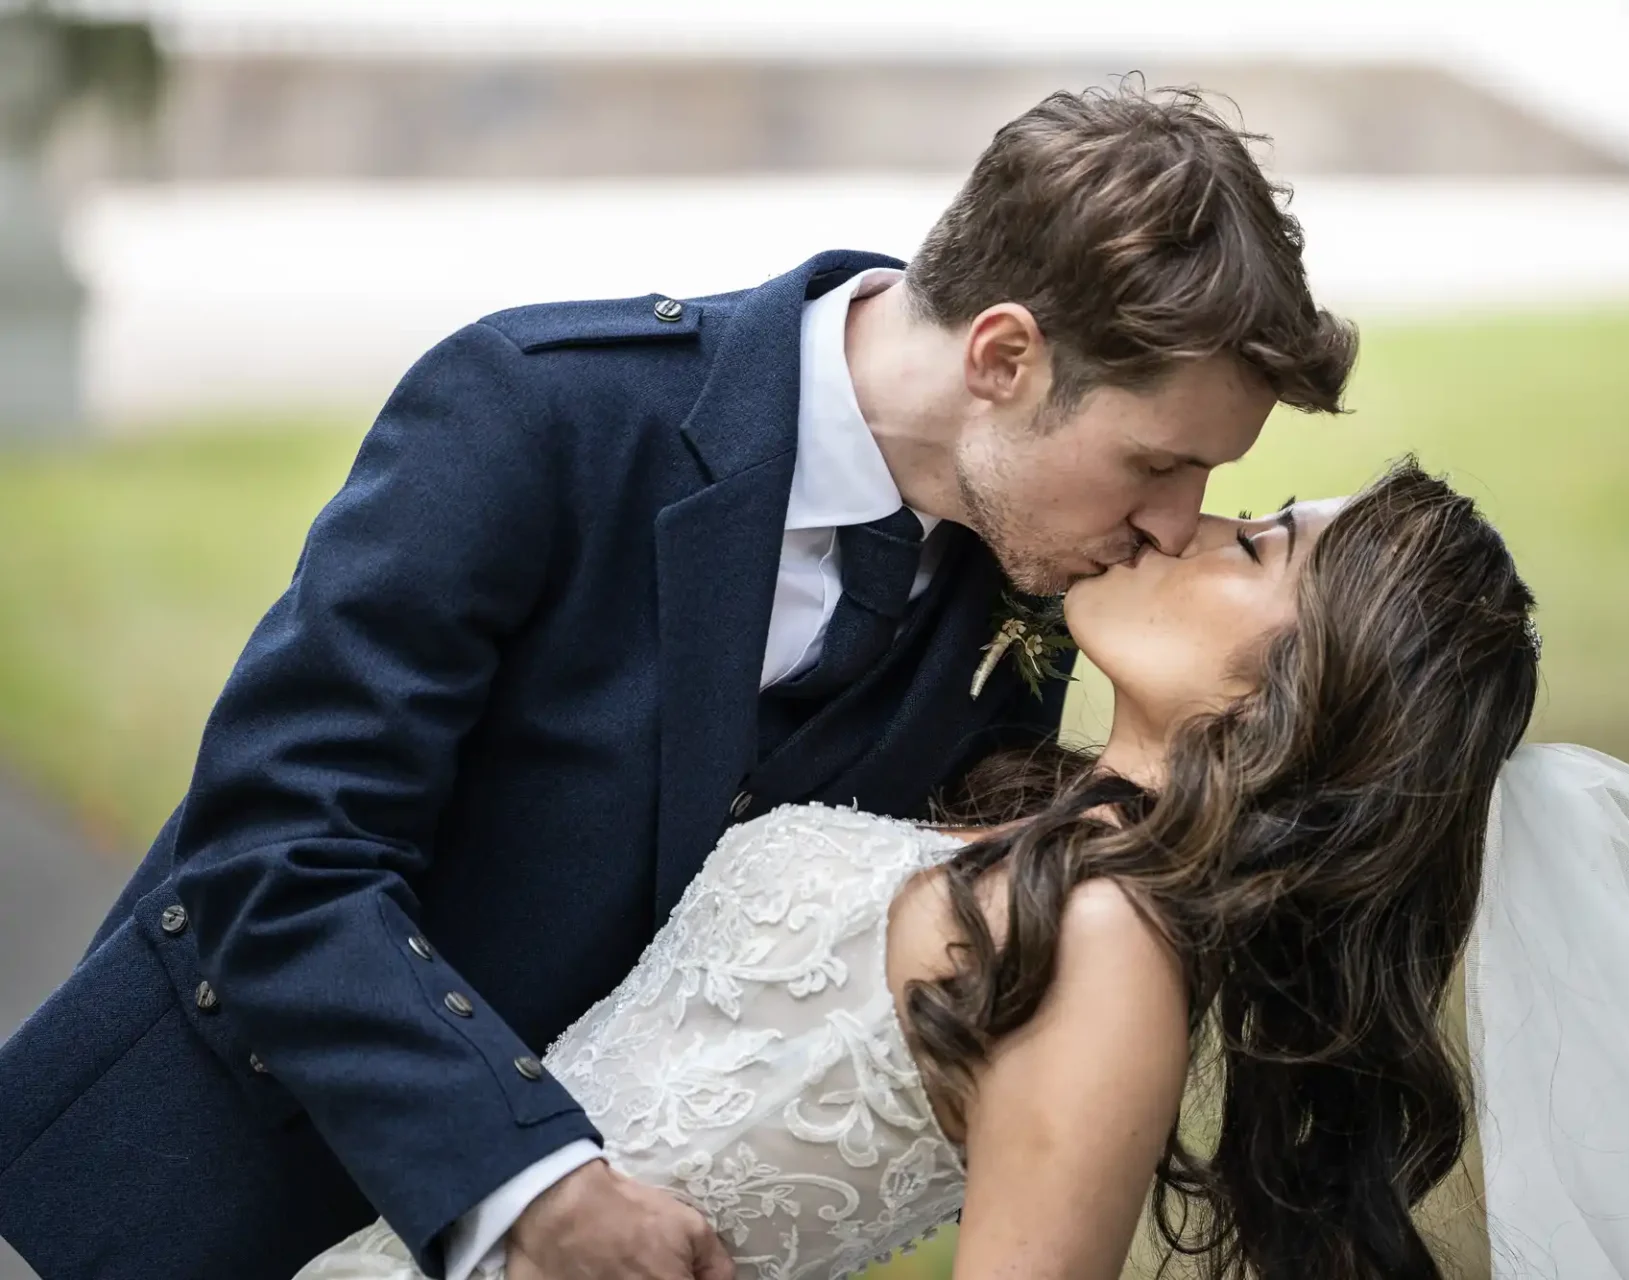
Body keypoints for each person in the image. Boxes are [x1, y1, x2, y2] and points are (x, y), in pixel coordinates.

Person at [0, 84, 1357, 1280]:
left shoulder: (1033, 579)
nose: (1181, 524)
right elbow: (273, 854)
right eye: (1159, 464)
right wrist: (524, 1185)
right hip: (158, 1212)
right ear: (1004, 358)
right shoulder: (539, 413)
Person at [300, 461, 1629, 1280]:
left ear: (1305, 696)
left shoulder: (1109, 950)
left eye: (1262, 546)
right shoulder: (1031, 818)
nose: (1195, 524)